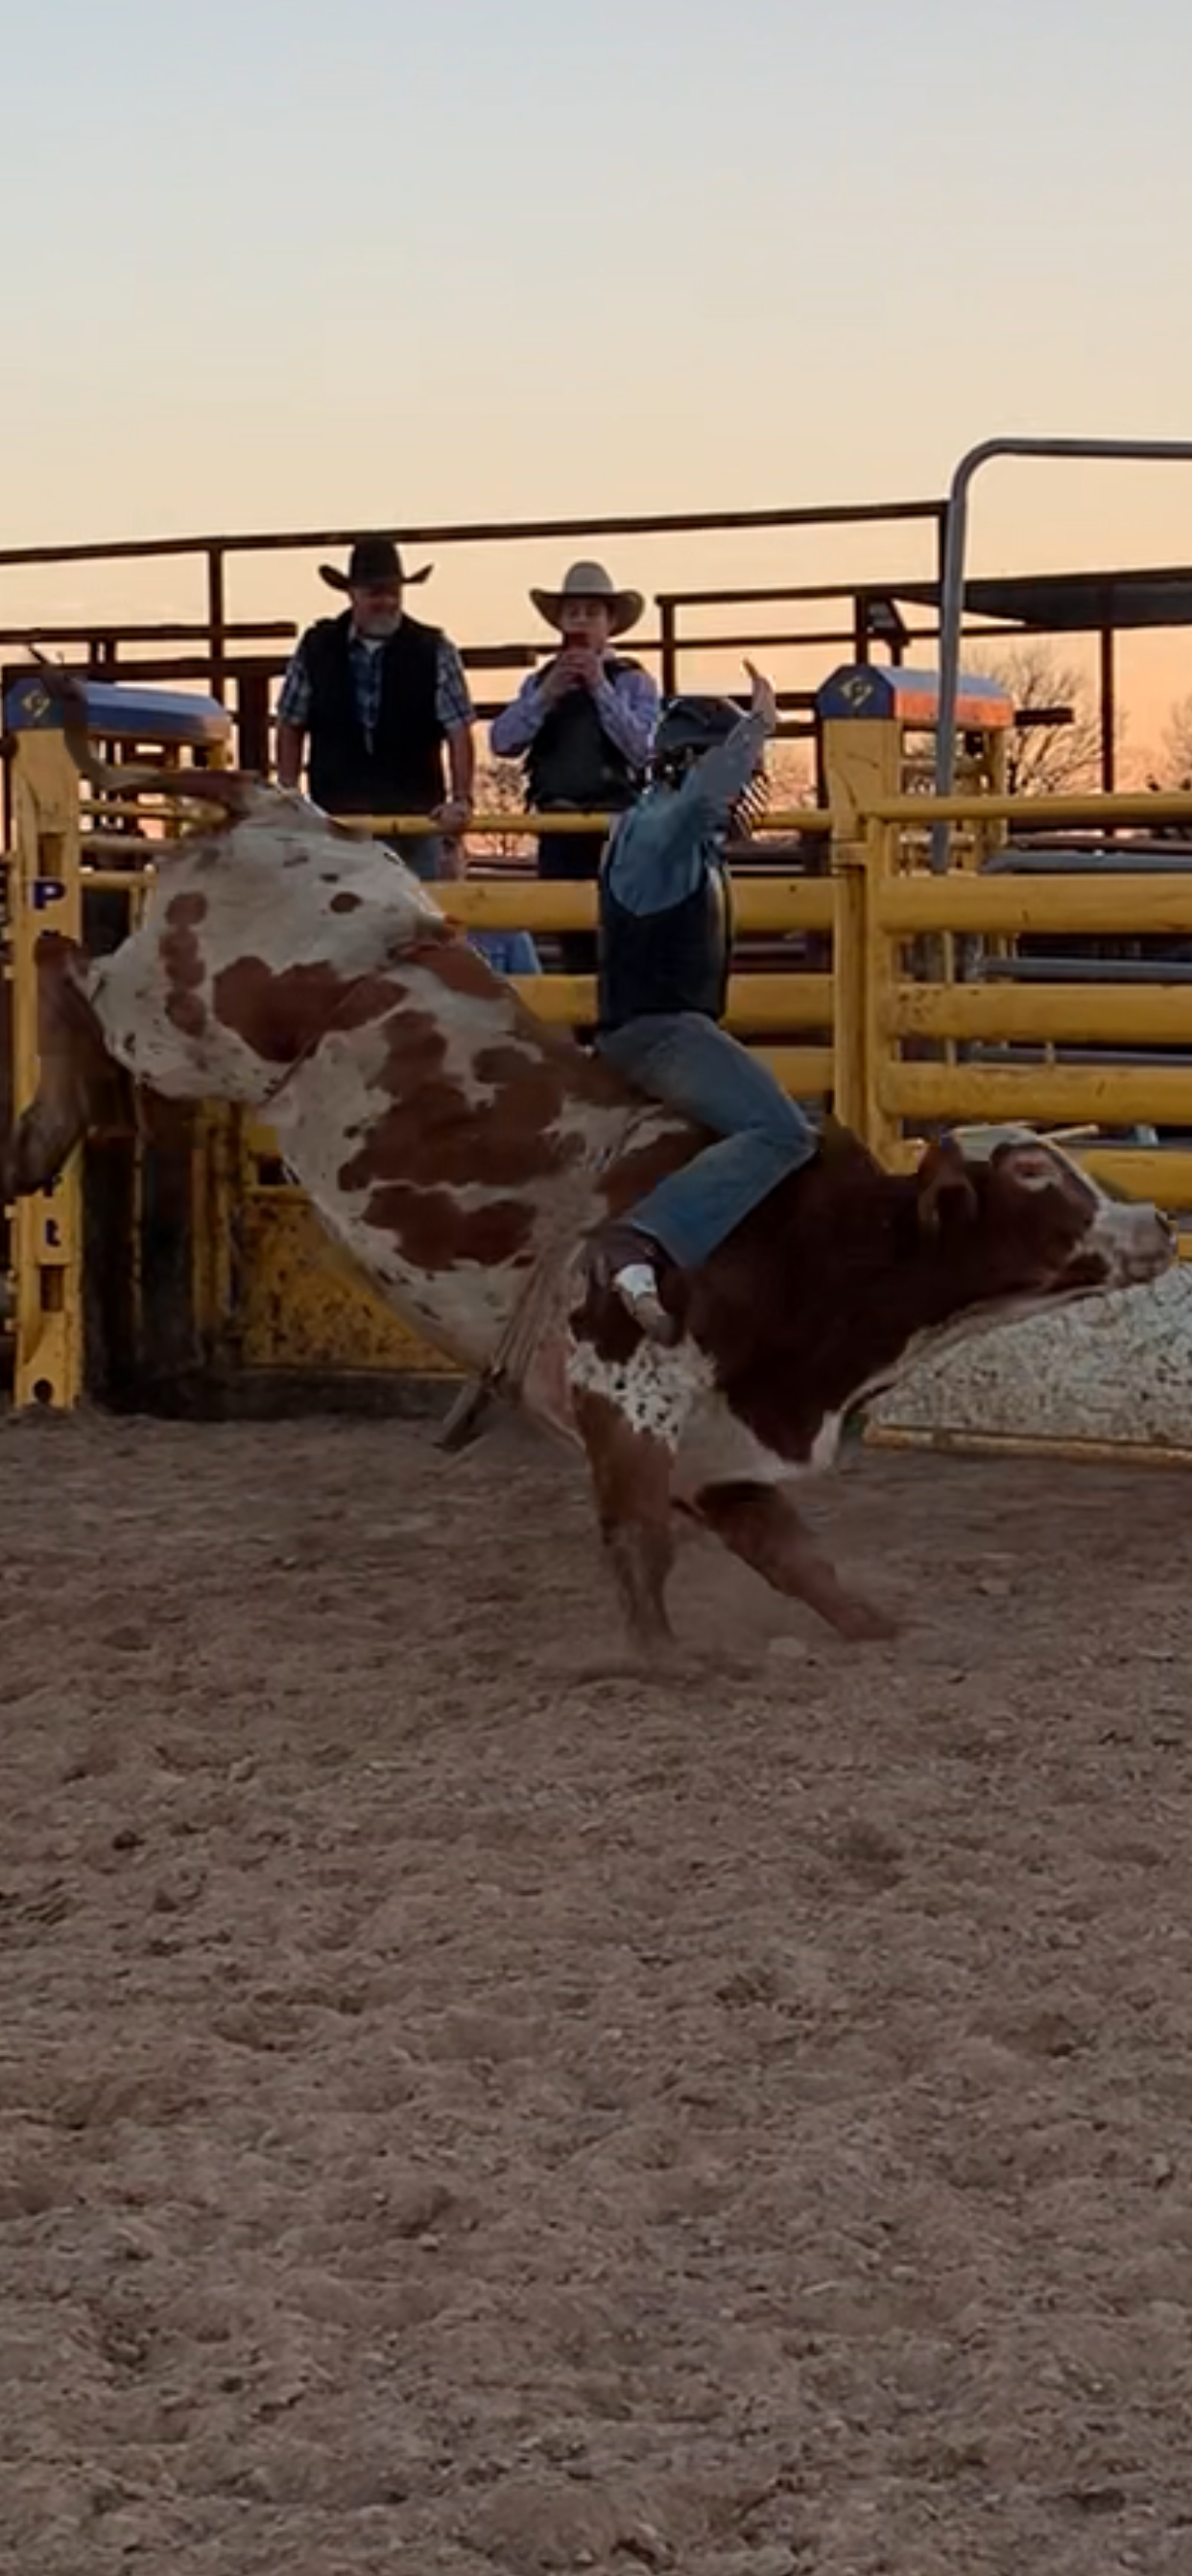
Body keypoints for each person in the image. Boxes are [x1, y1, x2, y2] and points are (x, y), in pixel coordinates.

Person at [586, 663, 820, 1343]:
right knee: (782, 1132)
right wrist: (758, 725)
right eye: (740, 768)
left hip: (662, 1030)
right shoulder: (660, 827)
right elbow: (705, 793)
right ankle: (642, 1241)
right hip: (661, 1033)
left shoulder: (666, 834)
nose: (747, 786)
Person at [489, 561, 658, 976]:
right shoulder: (540, 681)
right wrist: (546, 697)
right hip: (558, 826)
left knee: (623, 936)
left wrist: (600, 689)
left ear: (610, 623)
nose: (581, 621)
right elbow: (502, 742)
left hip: (616, 827)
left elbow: (644, 752)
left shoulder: (633, 681)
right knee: (572, 944)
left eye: (592, 612)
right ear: (560, 623)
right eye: (573, 613)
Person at [274, 535, 475, 878]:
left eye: (392, 591)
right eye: (374, 592)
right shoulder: (317, 647)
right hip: (336, 823)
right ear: (352, 594)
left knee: (416, 920)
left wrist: (461, 799)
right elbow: (289, 724)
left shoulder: (435, 649)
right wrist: (289, 793)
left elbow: (460, 731)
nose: (385, 601)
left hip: (414, 821)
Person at [435, 836, 542, 981]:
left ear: (465, 859)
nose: (441, 858)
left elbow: (533, 989)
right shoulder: (404, 924)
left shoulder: (500, 921)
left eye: (448, 848)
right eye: (433, 850)